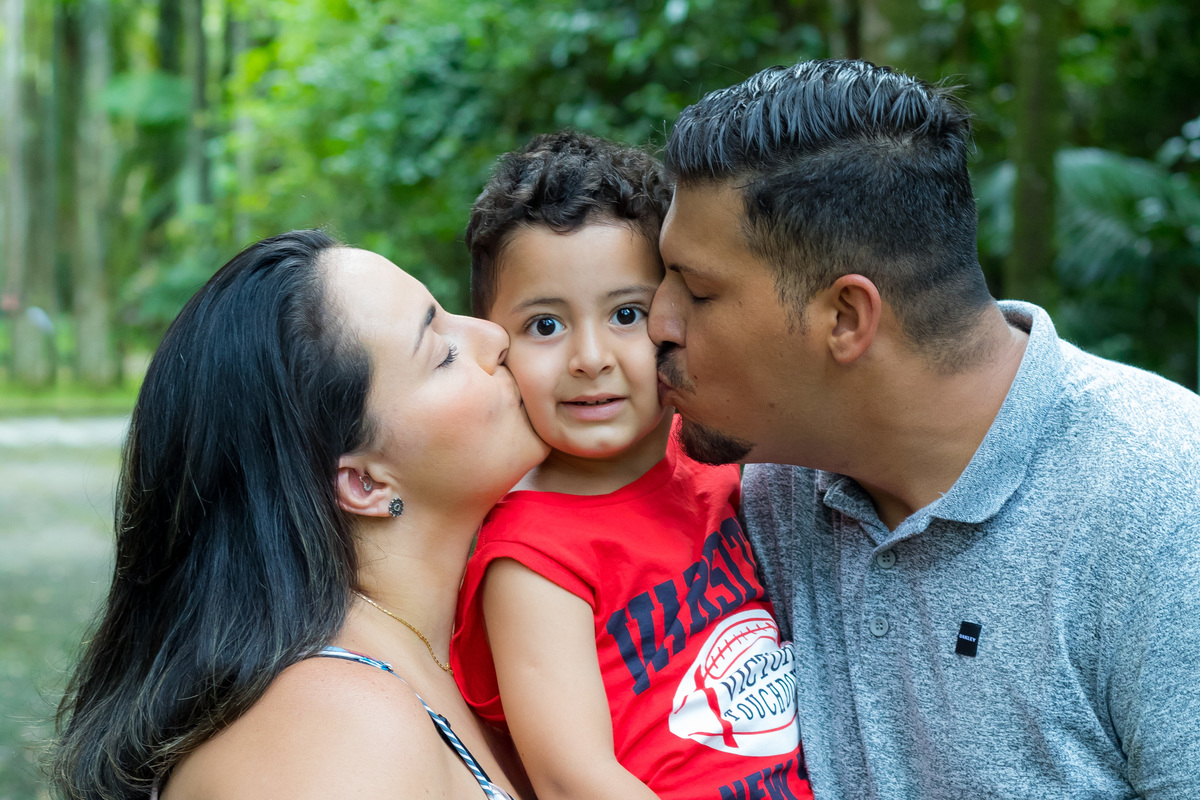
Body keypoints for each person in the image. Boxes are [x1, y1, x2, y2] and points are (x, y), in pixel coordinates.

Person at [649, 58, 1200, 800]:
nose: (657, 322)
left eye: (697, 290)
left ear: (846, 317)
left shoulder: (1165, 504)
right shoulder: (765, 477)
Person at [52, 230, 547, 800]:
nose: (494, 335)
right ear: (363, 482)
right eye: (443, 353)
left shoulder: (481, 652)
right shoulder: (334, 733)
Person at [451, 131, 814, 800]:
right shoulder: (532, 558)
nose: (591, 358)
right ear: (496, 346)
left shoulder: (713, 454)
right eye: (545, 325)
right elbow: (572, 779)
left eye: (626, 314)